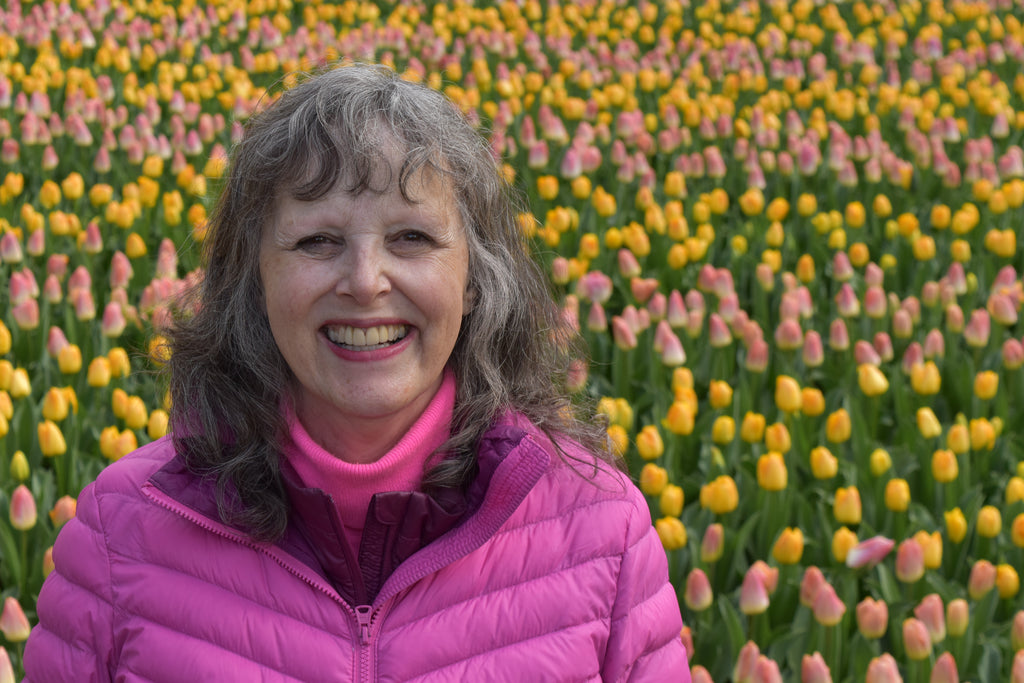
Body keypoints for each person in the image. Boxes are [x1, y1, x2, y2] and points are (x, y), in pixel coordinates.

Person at [24, 63, 689, 681]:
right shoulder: (122, 534)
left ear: (476, 276)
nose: (366, 282)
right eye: (319, 240)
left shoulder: (602, 534)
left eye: (411, 238)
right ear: (254, 276)